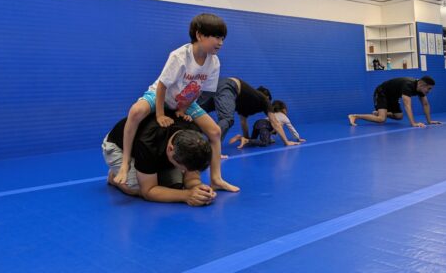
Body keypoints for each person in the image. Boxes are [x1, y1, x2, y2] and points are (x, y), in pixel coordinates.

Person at [114, 13, 239, 192]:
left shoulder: (214, 62)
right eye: (216, 37)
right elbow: (162, 86)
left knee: (215, 131)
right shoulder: (179, 56)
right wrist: (160, 114)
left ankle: (216, 178)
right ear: (199, 35)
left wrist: (183, 108)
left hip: (185, 99)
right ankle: (125, 162)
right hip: (161, 95)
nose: (220, 43)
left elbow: (199, 89)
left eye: (222, 38)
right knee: (135, 111)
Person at [102, 112, 217, 206]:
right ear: (170, 149)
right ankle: (113, 177)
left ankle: (147, 169)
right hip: (120, 146)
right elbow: (148, 191)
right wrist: (187, 195)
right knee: (136, 187)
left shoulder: (194, 134)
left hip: (155, 150)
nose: (185, 172)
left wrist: (197, 187)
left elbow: (192, 175)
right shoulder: (148, 143)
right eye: (183, 169)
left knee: (174, 185)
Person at [198, 78, 302, 150]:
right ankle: (212, 151)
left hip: (217, 84)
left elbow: (243, 123)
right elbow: (275, 123)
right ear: (267, 98)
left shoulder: (245, 105)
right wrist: (286, 142)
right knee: (227, 119)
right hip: (229, 86)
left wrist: (246, 139)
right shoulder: (265, 100)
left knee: (195, 113)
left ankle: (190, 142)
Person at [348, 76, 442, 127]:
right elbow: (407, 105)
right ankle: (355, 116)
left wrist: (429, 121)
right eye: (429, 88)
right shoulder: (408, 85)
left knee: (399, 116)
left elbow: (425, 104)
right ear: (421, 84)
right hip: (382, 92)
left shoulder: (420, 89)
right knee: (381, 119)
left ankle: (380, 113)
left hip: (393, 96)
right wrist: (413, 123)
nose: (429, 91)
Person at [230, 100, 306, 148]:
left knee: (253, 141)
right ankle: (245, 140)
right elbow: (291, 128)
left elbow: (271, 129)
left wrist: (270, 138)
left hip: (258, 123)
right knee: (264, 143)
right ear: (284, 110)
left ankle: (240, 138)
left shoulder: (272, 114)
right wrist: (298, 138)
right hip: (264, 125)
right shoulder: (284, 117)